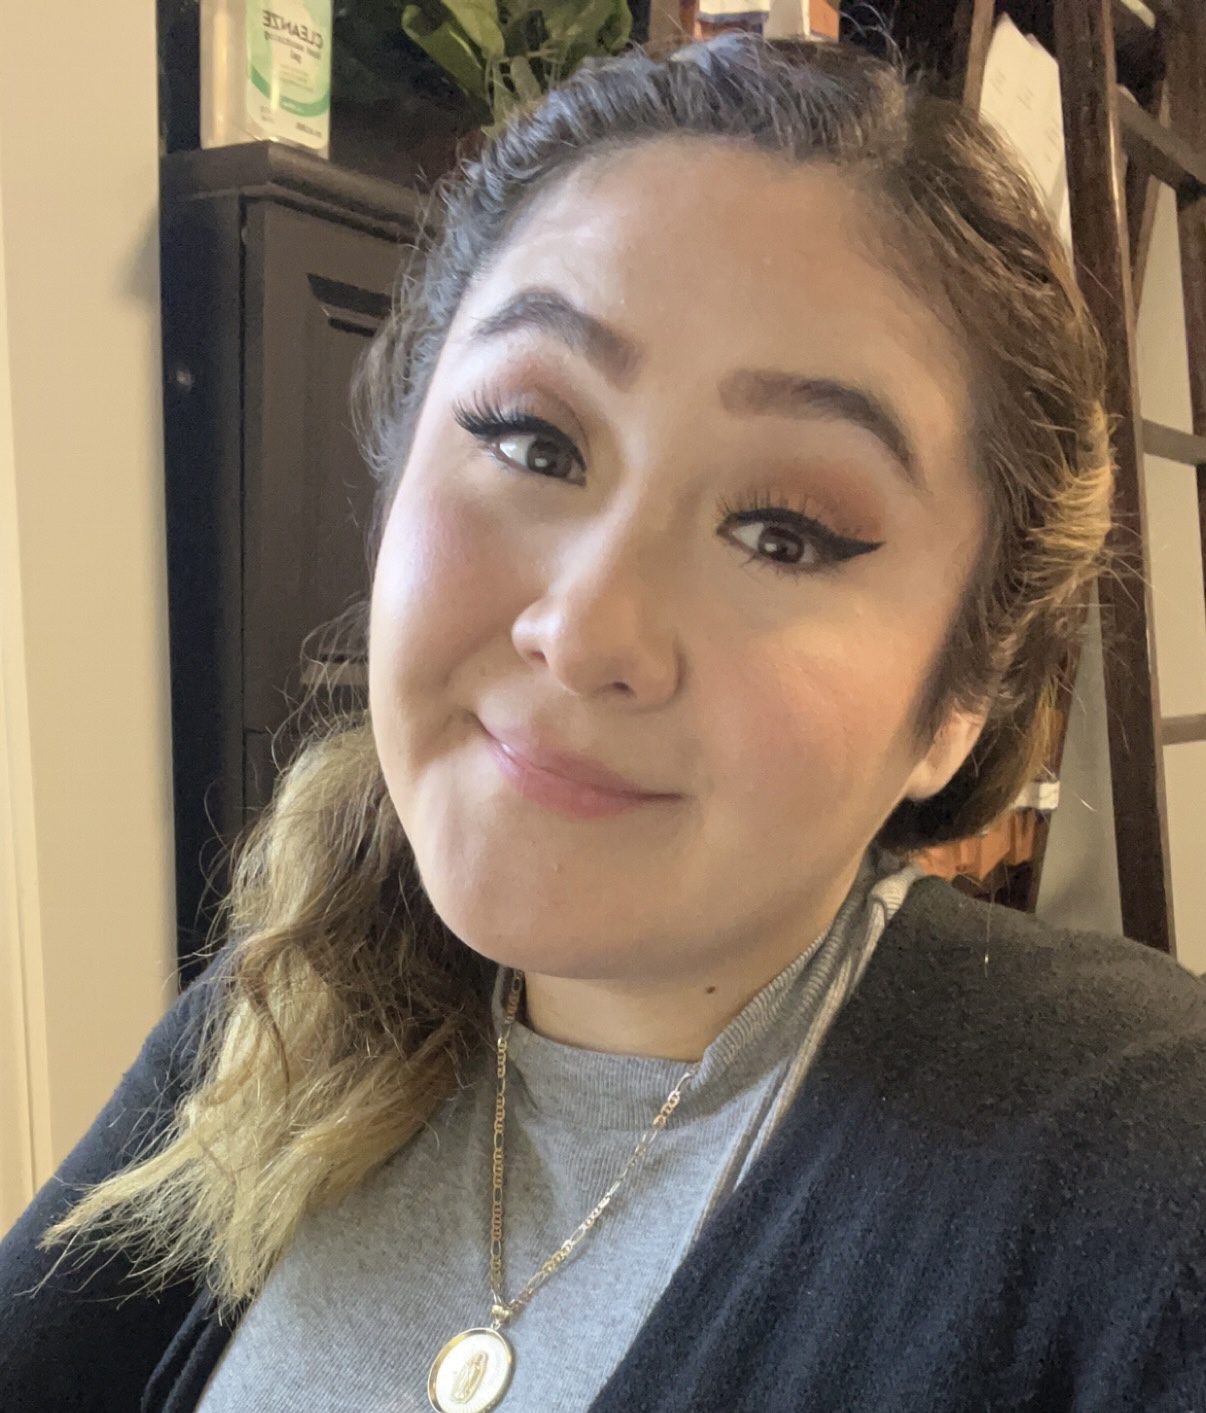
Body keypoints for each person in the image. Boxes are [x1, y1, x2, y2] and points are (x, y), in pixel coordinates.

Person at [2, 29, 1204, 1413]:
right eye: (531, 439)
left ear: (959, 698)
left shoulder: (1139, 1177)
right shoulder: (288, 1007)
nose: (584, 632)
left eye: (784, 532)